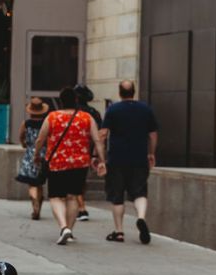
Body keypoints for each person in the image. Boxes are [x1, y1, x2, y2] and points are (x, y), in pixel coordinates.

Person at [35, 85, 104, 245]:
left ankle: (63, 226)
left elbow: (40, 139)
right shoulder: (87, 117)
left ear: (60, 101)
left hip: (57, 163)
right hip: (80, 163)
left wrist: (36, 155)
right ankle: (69, 231)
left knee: (55, 197)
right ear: (76, 100)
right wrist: (101, 160)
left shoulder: (52, 117)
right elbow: (97, 140)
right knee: (73, 196)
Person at [100, 79, 159, 244]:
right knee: (140, 191)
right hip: (139, 158)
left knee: (117, 195)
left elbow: (103, 134)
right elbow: (153, 135)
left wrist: (100, 156)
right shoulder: (145, 109)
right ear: (134, 91)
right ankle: (140, 217)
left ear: (120, 92)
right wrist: (151, 153)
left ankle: (119, 232)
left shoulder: (113, 110)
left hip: (117, 158)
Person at [15, 97, 50, 220]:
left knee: (31, 183)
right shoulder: (47, 122)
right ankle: (38, 209)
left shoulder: (26, 123)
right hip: (44, 154)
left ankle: (34, 203)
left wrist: (24, 143)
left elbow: (21, 136)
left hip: (30, 153)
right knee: (40, 183)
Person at [73, 85, 103, 221]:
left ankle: (81, 207)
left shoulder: (73, 112)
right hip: (88, 149)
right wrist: (97, 154)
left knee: (74, 179)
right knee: (81, 178)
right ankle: (80, 204)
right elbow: (100, 134)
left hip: (73, 147)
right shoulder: (94, 112)